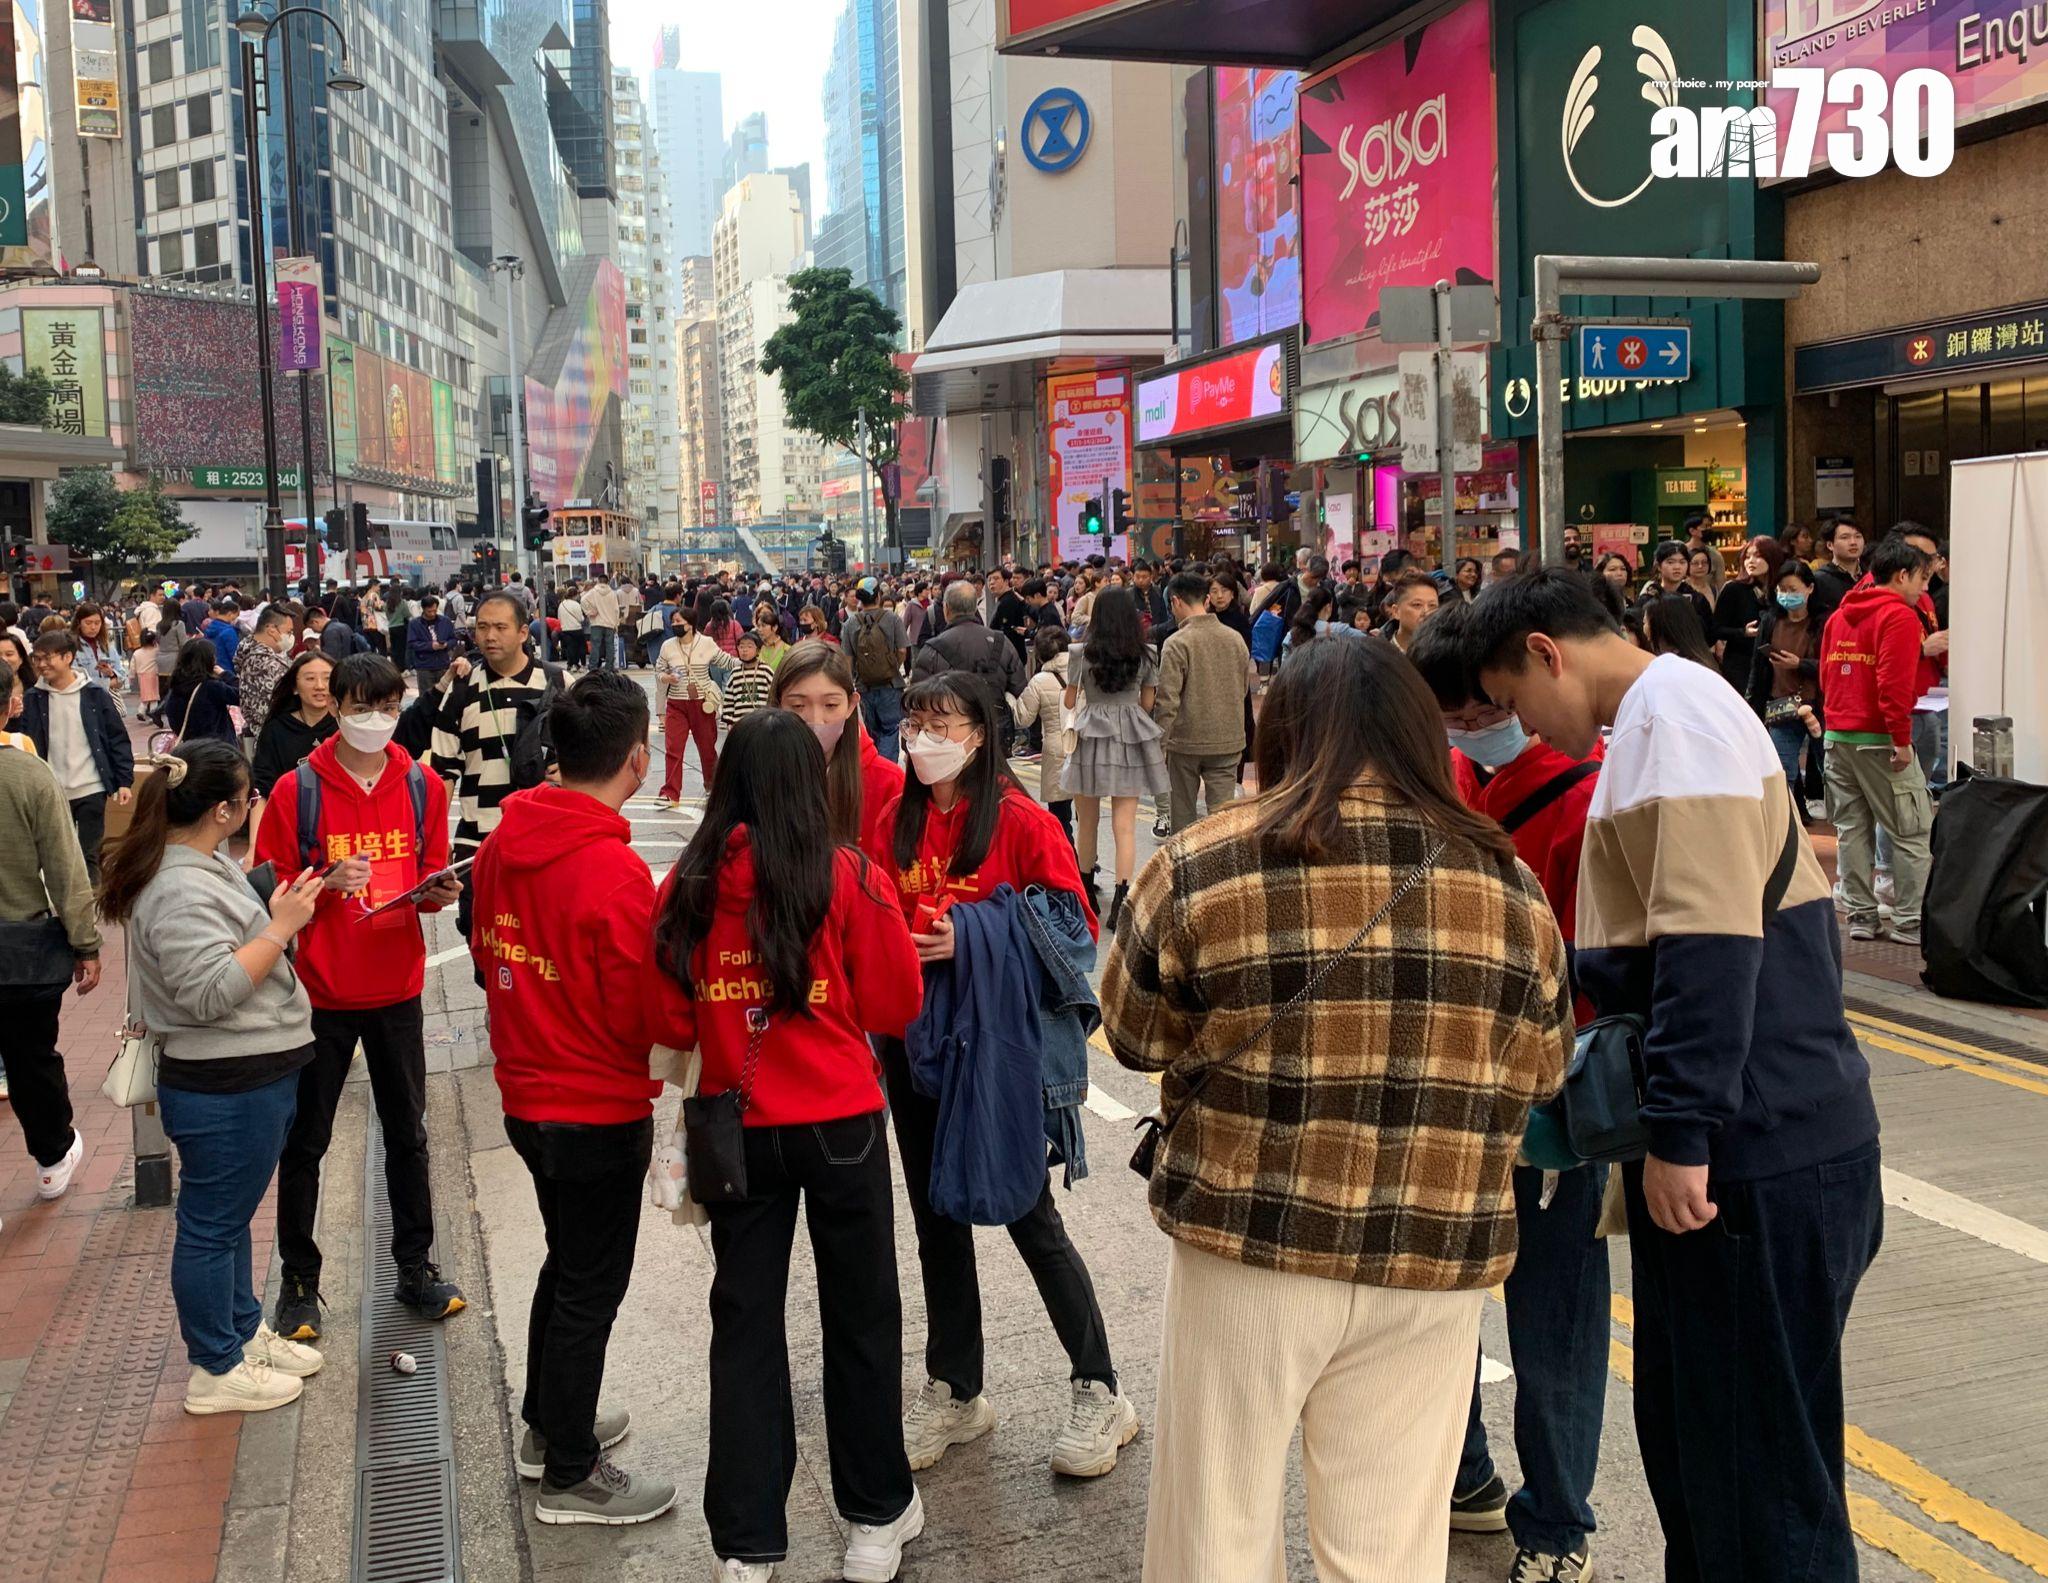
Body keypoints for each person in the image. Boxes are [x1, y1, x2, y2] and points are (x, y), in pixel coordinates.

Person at [1098, 635, 1572, 1583]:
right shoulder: (1507, 884)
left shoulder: (1201, 863)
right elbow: (1544, 1070)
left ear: (1278, 732)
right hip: (1434, 1249)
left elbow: (1135, 1036)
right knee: (1389, 1546)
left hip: (1249, 1239)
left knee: (1216, 1525)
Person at [1465, 569, 1881, 1583]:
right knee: (1715, 1461)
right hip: (1760, 1138)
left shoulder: (1672, 719)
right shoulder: (1665, 715)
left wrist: (1683, 1133)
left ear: (1547, 652)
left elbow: (1706, 942)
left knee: (1755, 1488)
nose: (1524, 728)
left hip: (1752, 1152)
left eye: (1516, 701)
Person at [646, 710, 925, 1582]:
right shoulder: (849, 874)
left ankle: (747, 1541)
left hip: (736, 1130)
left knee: (745, 1325)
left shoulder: (688, 883)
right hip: (841, 1122)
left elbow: (666, 1021)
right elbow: (897, 1003)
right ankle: (875, 1516)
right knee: (862, 1316)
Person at [868, 672, 1138, 1484]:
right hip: (912, 1043)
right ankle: (957, 1388)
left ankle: (1101, 1388)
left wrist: (975, 933)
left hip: (995, 1047)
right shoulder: (894, 818)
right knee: (935, 1220)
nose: (925, 738)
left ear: (981, 735)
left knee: (1029, 1214)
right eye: (915, 722)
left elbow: (1074, 928)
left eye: (942, 723)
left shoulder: (1020, 820)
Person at [1410, 606, 1610, 1580]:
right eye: (1447, 718)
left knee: (1552, 1320)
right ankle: (1466, 1474)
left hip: (1545, 1096)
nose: (1465, 730)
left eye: (1477, 711)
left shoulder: (1590, 796)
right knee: (1434, 1304)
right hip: (1449, 1087)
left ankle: (1558, 1522)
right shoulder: (1443, 779)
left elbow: (1600, 974)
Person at [471, 671, 674, 1524]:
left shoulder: (500, 843)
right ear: (638, 758)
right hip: (598, 1106)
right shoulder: (616, 873)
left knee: (566, 1261)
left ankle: (549, 1421)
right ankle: (571, 1472)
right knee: (592, 1282)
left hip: (526, 1094)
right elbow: (645, 1011)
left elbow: (484, 953)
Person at [98, 741, 330, 1414]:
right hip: (225, 1080)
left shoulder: (202, 863)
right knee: (211, 1225)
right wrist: (281, 928)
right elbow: (208, 991)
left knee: (227, 1221)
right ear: (224, 810)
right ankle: (214, 1367)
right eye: (248, 798)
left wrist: (277, 910)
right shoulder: (177, 886)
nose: (253, 807)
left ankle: (239, 1332)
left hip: (246, 1072)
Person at [256, 655, 464, 1341]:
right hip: (321, 992)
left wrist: (439, 892)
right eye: (360, 706)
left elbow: (430, 872)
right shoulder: (298, 790)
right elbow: (268, 887)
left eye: (387, 706)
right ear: (335, 707)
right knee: (305, 1139)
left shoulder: (422, 785)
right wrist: (323, 881)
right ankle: (298, 1282)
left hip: (398, 986)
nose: (374, 719)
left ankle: (415, 1267)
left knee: (409, 1133)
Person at [0, 653, 100, 1202]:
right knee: (31, 1060)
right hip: (20, 953)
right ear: (9, 707)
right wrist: (85, 942)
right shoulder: (27, 775)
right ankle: (52, 1156)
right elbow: (65, 867)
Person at [1819, 533, 1936, 945]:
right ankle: (1909, 921)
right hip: (1880, 739)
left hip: (1838, 736)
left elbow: (1827, 677)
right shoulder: (1899, 617)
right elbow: (1893, 684)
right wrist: (1901, 739)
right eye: (1921, 578)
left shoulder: (1840, 616)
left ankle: (1861, 916)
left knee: (1851, 830)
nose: (1923, 589)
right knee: (1911, 831)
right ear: (1901, 575)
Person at [429, 592, 558, 940]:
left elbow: (587, 760)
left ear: (523, 632)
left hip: (544, 839)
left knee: (542, 943)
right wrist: (437, 839)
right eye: (482, 627)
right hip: (478, 841)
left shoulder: (557, 684)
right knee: (482, 940)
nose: (489, 636)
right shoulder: (461, 688)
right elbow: (443, 770)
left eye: (500, 627)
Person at [1061, 587, 1166, 929]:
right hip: (1129, 735)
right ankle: (1122, 899)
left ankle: (1086, 894)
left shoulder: (1080, 653)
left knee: (1087, 822)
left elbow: (1069, 701)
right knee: (1125, 826)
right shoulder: (1146, 654)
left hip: (1091, 735)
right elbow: (1147, 704)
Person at [773, 639, 904, 859]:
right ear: (778, 705)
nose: (816, 720)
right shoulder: (758, 774)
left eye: (831, 705)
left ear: (851, 705)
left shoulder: (889, 782)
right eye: (798, 706)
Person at [23, 630, 134, 881]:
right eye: (37, 658)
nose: (41, 664)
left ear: (68, 657)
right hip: (51, 791)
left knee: (89, 854)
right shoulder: (33, 698)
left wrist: (124, 781)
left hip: (91, 786)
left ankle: (90, 900)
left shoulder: (94, 694)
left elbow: (116, 738)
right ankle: (63, 900)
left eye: (48, 657)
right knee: (54, 856)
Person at [1153, 570, 1253, 837]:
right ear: (1207, 600)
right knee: (1221, 821)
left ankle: (1187, 863)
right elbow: (1243, 687)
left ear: (1175, 601)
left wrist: (1159, 746)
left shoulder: (1176, 643)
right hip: (1228, 739)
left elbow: (1167, 701)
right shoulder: (1234, 639)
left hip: (1186, 742)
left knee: (1183, 819)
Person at [912, 581, 1027, 720]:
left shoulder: (933, 649)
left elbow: (918, 699)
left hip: (951, 726)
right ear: (974, 608)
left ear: (946, 609)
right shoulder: (1001, 642)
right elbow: (1020, 689)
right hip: (995, 724)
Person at [1009, 626, 1076, 843]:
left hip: (1057, 752)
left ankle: (1067, 856)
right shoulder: (1085, 672)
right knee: (1087, 817)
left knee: (1061, 818)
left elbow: (1023, 718)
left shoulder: (1040, 680)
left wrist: (1010, 698)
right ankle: (1087, 858)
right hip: (1086, 749)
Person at [655, 605, 724, 808]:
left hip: (702, 703)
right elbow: (659, 670)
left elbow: (725, 661)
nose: (674, 625)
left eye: (678, 621)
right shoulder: (667, 646)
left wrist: (747, 663)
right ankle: (670, 793)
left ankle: (713, 787)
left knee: (707, 748)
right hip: (676, 703)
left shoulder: (706, 643)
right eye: (673, 622)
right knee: (673, 748)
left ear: (690, 624)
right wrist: (666, 677)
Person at [251, 651, 338, 798]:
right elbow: (262, 785)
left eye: (328, 678)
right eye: (310, 678)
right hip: (289, 808)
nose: (320, 686)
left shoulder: (345, 725)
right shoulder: (276, 729)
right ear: (295, 687)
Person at [843, 581, 910, 763]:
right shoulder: (892, 619)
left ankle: (875, 765)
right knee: (890, 730)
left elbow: (847, 658)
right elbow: (902, 650)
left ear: (859, 599)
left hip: (863, 686)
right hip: (891, 684)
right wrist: (892, 666)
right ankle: (887, 768)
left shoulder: (850, 623)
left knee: (871, 732)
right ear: (879, 596)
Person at [1713, 536, 1784, 692]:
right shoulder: (1734, 589)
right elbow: (1716, 629)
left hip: (1776, 663)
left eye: (1758, 556)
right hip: (1741, 664)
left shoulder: (1782, 589)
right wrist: (1742, 632)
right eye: (1747, 556)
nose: (1750, 561)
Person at [235, 606, 296, 741]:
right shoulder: (264, 663)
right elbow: (278, 706)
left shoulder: (250, 652)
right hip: (276, 738)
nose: (291, 637)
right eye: (289, 632)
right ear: (272, 630)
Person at [1641, 541, 1715, 632]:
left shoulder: (1697, 599)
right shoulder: (1649, 597)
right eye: (1670, 562)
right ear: (1659, 566)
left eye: (1682, 562)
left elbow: (1709, 632)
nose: (1677, 567)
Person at [1811, 518, 1865, 620]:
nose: (1853, 542)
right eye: (1845, 537)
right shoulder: (1819, 579)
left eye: (1858, 536)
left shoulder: (1873, 576)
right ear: (1830, 545)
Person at [71, 601, 125, 699]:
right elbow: (76, 681)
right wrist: (108, 683)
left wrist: (111, 673)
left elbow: (122, 677)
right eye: (88, 623)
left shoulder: (107, 647)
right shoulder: (71, 647)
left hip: (108, 701)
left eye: (97, 623)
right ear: (79, 623)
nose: (93, 627)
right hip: (84, 701)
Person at [1380, 569, 1441, 654]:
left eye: (1432, 606)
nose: (1426, 612)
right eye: (1417, 605)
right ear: (1396, 611)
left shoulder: (1445, 652)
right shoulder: (1377, 653)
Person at [407, 594, 457, 689]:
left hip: (443, 663)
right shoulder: (415, 624)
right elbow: (412, 644)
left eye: (435, 610)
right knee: (426, 694)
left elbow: (453, 639)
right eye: (429, 611)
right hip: (424, 666)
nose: (432, 614)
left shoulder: (445, 621)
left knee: (445, 693)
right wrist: (430, 646)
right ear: (423, 609)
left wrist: (446, 644)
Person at [583, 574, 621, 671]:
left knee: (595, 646)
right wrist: (616, 624)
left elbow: (583, 600)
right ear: (607, 582)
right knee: (610, 646)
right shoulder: (612, 593)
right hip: (610, 623)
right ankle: (609, 667)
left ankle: (593, 666)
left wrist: (590, 612)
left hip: (596, 623)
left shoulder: (593, 592)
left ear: (598, 581)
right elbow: (616, 610)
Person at [204, 598, 244, 671]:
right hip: (226, 671)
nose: (236, 618)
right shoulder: (229, 631)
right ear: (230, 614)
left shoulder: (209, 627)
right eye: (236, 615)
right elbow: (235, 655)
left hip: (211, 668)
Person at [751, 599, 791, 671]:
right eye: (759, 626)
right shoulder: (755, 646)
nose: (760, 629)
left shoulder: (786, 650)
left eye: (763, 625)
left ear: (775, 627)